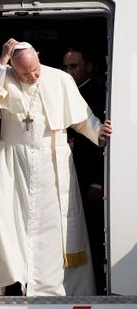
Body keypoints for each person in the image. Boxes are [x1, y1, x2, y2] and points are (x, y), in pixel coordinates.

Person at [0, 38, 112, 296]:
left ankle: (58, 290)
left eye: (35, 69)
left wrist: (99, 134)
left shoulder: (59, 79)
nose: (32, 75)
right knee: (9, 223)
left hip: (54, 161)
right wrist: (3, 58)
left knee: (55, 229)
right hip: (14, 163)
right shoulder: (3, 76)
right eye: (25, 72)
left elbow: (81, 118)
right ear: (13, 68)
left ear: (39, 56)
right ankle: (20, 283)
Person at [62, 46, 107, 294]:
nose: (68, 72)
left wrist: (99, 182)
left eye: (74, 66)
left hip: (90, 180)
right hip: (73, 176)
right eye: (65, 67)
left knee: (91, 233)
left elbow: (102, 141)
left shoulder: (97, 94)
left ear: (88, 67)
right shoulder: (70, 92)